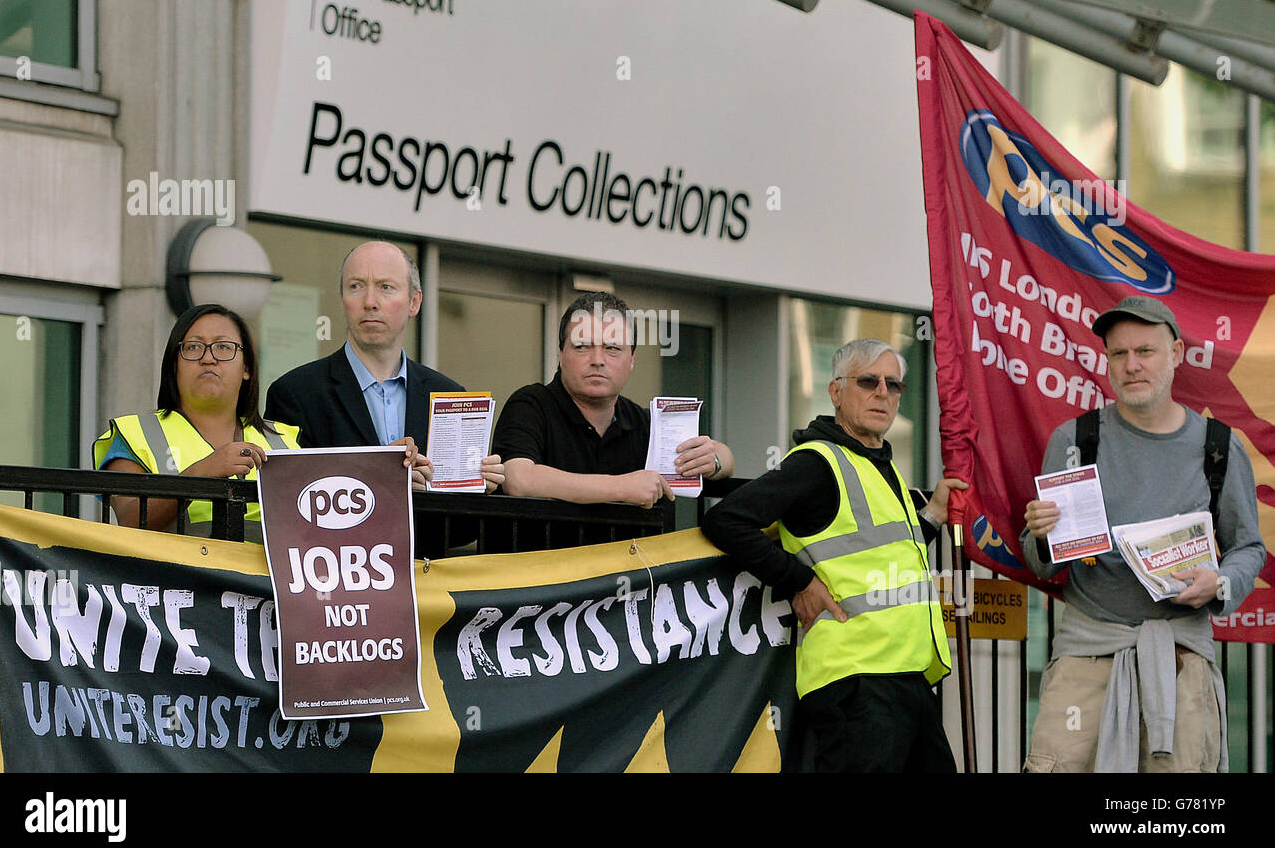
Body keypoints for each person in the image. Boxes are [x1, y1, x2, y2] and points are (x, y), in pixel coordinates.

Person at [1020, 295, 1265, 773]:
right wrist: (1042, 535)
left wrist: (1219, 584)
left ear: (1175, 353)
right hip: (1086, 654)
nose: (1132, 366)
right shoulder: (1076, 440)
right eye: (1119, 354)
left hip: (1180, 659)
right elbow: (1044, 563)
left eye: (1145, 352)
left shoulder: (1219, 447)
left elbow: (1248, 548)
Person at [701, 338, 965, 772]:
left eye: (894, 385)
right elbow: (725, 520)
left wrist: (933, 516)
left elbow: (880, 553)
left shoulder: (879, 464)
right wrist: (797, 581)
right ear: (836, 391)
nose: (883, 392)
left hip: (905, 676)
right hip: (857, 682)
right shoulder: (817, 462)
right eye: (868, 381)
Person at [264, 241, 504, 492]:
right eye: (356, 286)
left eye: (385, 287)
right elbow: (285, 495)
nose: (370, 302)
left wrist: (481, 488)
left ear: (414, 302)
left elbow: (457, 522)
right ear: (342, 299)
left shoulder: (450, 396)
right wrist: (380, 474)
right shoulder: (296, 393)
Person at [494, 290, 733, 508]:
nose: (597, 359)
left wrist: (713, 459)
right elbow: (519, 479)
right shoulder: (530, 404)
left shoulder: (642, 422)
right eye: (582, 347)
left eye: (612, 348)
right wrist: (622, 488)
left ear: (631, 360)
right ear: (561, 353)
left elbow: (726, 457)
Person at [94, 303, 301, 538]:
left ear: (247, 368)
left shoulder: (284, 441)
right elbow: (130, 521)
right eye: (193, 347)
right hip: (174, 575)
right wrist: (202, 473)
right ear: (174, 365)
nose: (208, 358)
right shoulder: (135, 435)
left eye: (223, 347)